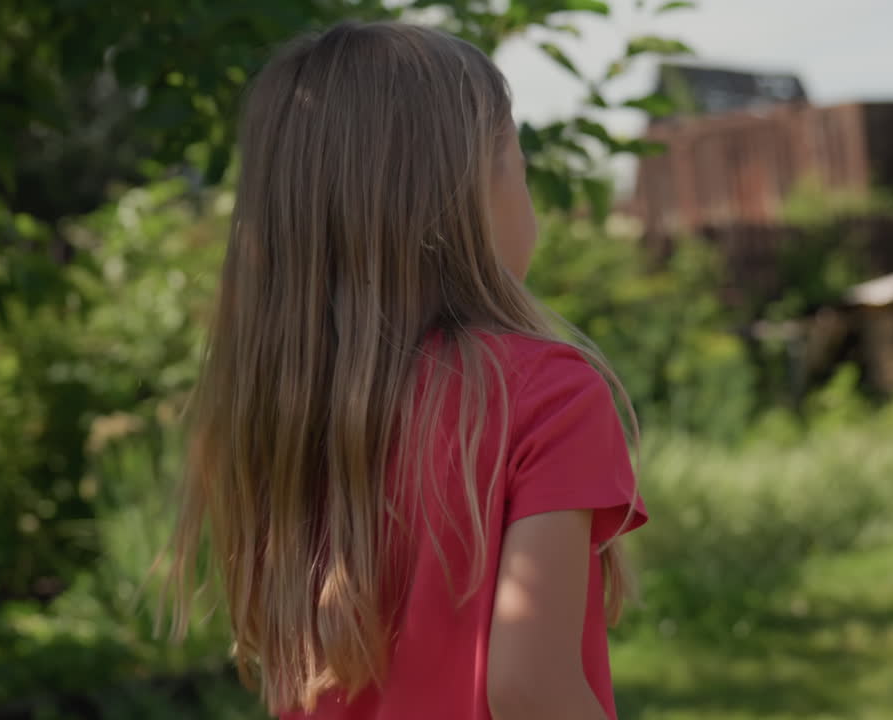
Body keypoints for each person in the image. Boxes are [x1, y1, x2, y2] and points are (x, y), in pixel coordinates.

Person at [163, 20, 647, 720]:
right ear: (468, 196)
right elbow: (529, 690)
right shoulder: (547, 394)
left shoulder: (292, 405)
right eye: (517, 165)